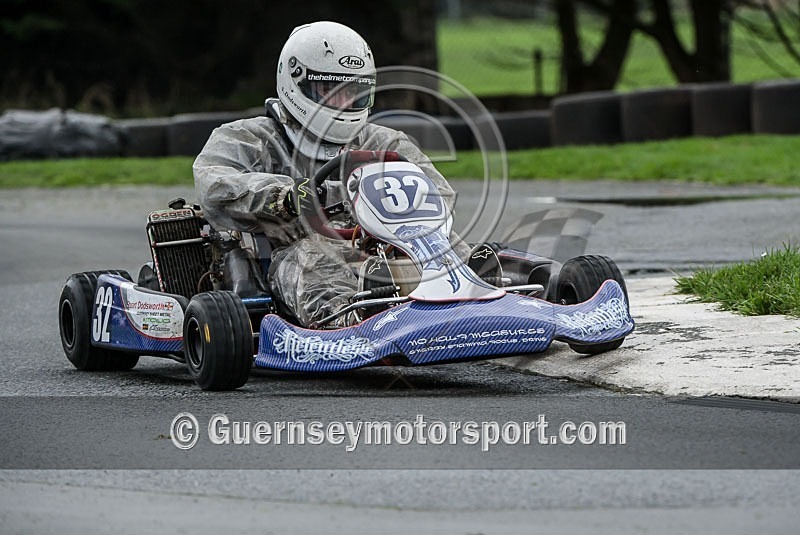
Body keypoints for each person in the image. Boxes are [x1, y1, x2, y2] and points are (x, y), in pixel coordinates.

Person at [193, 21, 460, 327]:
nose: (342, 103)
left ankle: (483, 302)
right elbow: (214, 184)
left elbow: (438, 194)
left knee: (452, 248)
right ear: (296, 82)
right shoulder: (247, 138)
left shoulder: (385, 142)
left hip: (383, 248)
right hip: (289, 253)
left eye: (353, 92)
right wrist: (283, 196)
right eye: (330, 91)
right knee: (319, 259)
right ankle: (351, 325)